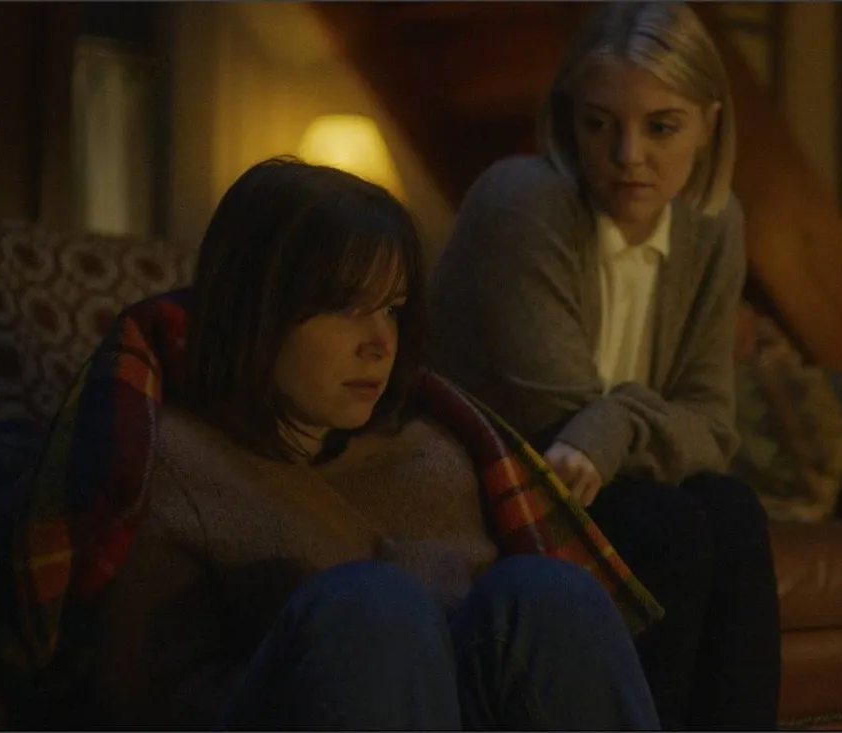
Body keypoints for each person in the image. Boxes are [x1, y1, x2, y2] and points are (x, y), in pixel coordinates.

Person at [81, 157, 660, 730]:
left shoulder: (432, 451)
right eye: (346, 308)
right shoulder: (175, 461)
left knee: (550, 590)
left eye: (391, 309)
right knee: (374, 605)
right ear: (255, 310)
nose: (381, 342)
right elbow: (146, 700)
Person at [428, 4, 780, 729]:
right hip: (491, 481)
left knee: (731, 508)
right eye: (599, 124)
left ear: (709, 124)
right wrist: (619, 424)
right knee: (670, 522)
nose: (627, 155)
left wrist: (614, 422)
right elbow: (555, 430)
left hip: (609, 478)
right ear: (567, 117)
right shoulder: (522, 202)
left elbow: (714, 429)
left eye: (661, 127)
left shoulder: (714, 223)